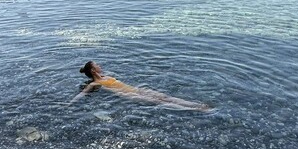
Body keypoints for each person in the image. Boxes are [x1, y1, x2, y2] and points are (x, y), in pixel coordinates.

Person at [72, 61, 212, 111]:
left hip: (136, 89)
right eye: (97, 65)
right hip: (129, 95)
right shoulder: (95, 83)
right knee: (159, 102)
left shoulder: (107, 76)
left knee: (164, 97)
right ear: (93, 70)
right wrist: (69, 104)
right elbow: (82, 93)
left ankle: (196, 105)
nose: (100, 66)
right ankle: (198, 111)